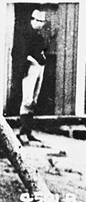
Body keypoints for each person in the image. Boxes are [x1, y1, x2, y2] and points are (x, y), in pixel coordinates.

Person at [17, 9, 49, 144]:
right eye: (39, 21)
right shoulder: (25, 33)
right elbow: (22, 53)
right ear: (33, 20)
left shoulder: (38, 35)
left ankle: (28, 131)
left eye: (43, 22)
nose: (41, 24)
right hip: (30, 68)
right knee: (27, 99)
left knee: (34, 100)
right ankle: (22, 132)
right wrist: (32, 61)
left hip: (39, 68)